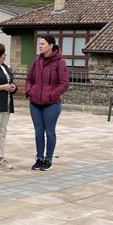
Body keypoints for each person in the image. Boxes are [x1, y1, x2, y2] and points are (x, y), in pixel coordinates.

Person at [25, 35, 69, 171]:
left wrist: (51, 95)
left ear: (51, 46)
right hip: (35, 103)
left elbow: (64, 84)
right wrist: (30, 91)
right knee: (38, 132)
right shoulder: (36, 61)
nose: (40, 46)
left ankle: (48, 159)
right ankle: (39, 158)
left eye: (43, 44)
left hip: (51, 104)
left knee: (49, 131)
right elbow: (28, 79)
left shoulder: (60, 63)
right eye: (40, 44)